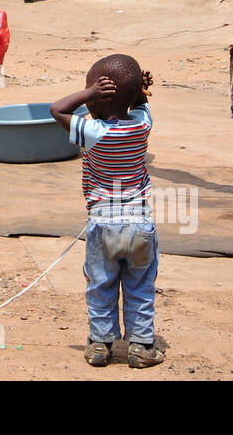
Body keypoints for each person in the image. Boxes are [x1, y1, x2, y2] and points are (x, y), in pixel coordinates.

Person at [49, 54, 164, 369]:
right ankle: (141, 347)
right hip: (140, 223)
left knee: (101, 285)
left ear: (97, 100)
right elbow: (138, 103)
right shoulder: (142, 124)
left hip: (103, 225)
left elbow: (56, 109)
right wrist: (137, 88)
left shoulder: (93, 132)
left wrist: (88, 93)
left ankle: (100, 346)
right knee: (140, 288)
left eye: (92, 94)